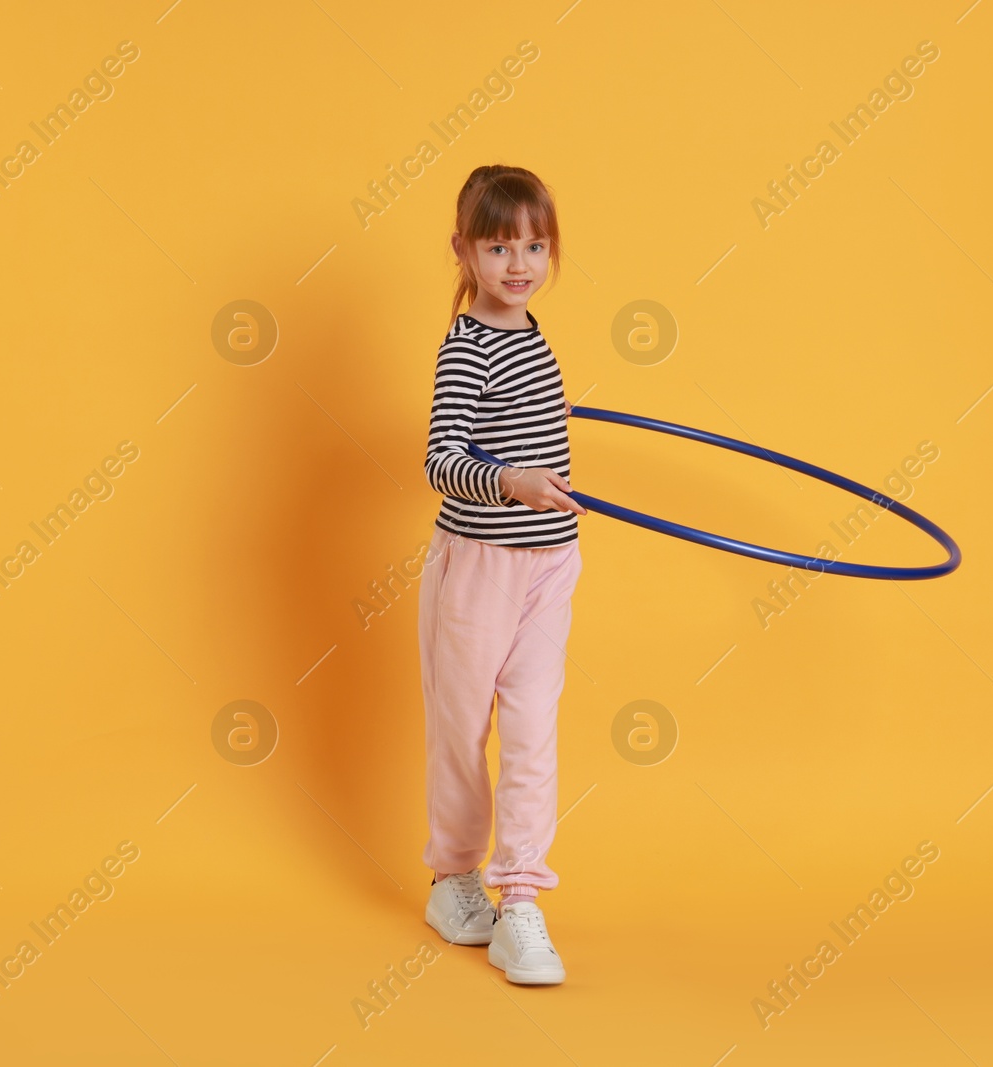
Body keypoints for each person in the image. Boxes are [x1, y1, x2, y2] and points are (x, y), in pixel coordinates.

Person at [418, 164, 585, 985]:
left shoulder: (532, 331)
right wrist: (512, 481)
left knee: (532, 726)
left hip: (551, 562)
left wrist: (538, 487)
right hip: (481, 565)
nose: (519, 263)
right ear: (464, 251)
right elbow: (442, 460)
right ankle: (455, 879)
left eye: (534, 245)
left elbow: (535, 428)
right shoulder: (468, 346)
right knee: (461, 726)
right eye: (497, 246)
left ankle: (519, 895)